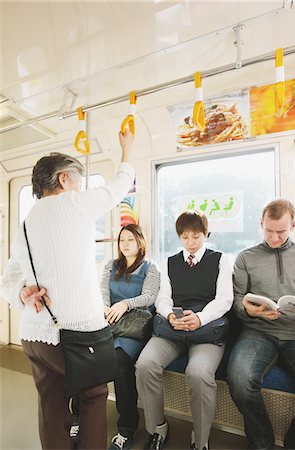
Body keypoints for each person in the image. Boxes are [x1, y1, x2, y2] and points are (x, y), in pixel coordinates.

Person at [0, 129, 135, 450]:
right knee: (93, 396)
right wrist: (127, 150)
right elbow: (119, 187)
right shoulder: (72, 204)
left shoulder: (26, 223)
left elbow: (8, 278)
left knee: (52, 406)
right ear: (63, 179)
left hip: (34, 336)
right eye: (77, 180)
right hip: (73, 335)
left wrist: (22, 293)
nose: (80, 186)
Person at [135, 210, 233, 450]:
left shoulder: (220, 259)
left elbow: (224, 300)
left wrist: (199, 319)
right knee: (145, 365)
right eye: (185, 237)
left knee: (198, 373)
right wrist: (170, 315)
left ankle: (200, 441)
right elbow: (163, 298)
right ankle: (157, 429)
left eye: (196, 237)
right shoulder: (170, 262)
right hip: (175, 326)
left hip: (206, 329)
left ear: (205, 234)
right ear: (179, 236)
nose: (190, 243)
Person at [227, 198, 295, 450]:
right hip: (258, 332)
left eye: (281, 231)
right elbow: (237, 300)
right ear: (261, 223)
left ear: (293, 225)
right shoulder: (246, 257)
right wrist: (247, 310)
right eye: (269, 230)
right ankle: (262, 443)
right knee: (239, 379)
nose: (275, 237)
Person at [101, 224, 160, 450]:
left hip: (134, 328)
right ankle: (78, 419)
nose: (125, 244)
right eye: (122, 240)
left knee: (120, 363)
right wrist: (106, 308)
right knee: (85, 355)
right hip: (109, 322)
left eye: (130, 240)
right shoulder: (111, 265)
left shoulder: (149, 268)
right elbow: (103, 292)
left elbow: (150, 296)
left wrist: (125, 304)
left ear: (140, 242)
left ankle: (126, 429)